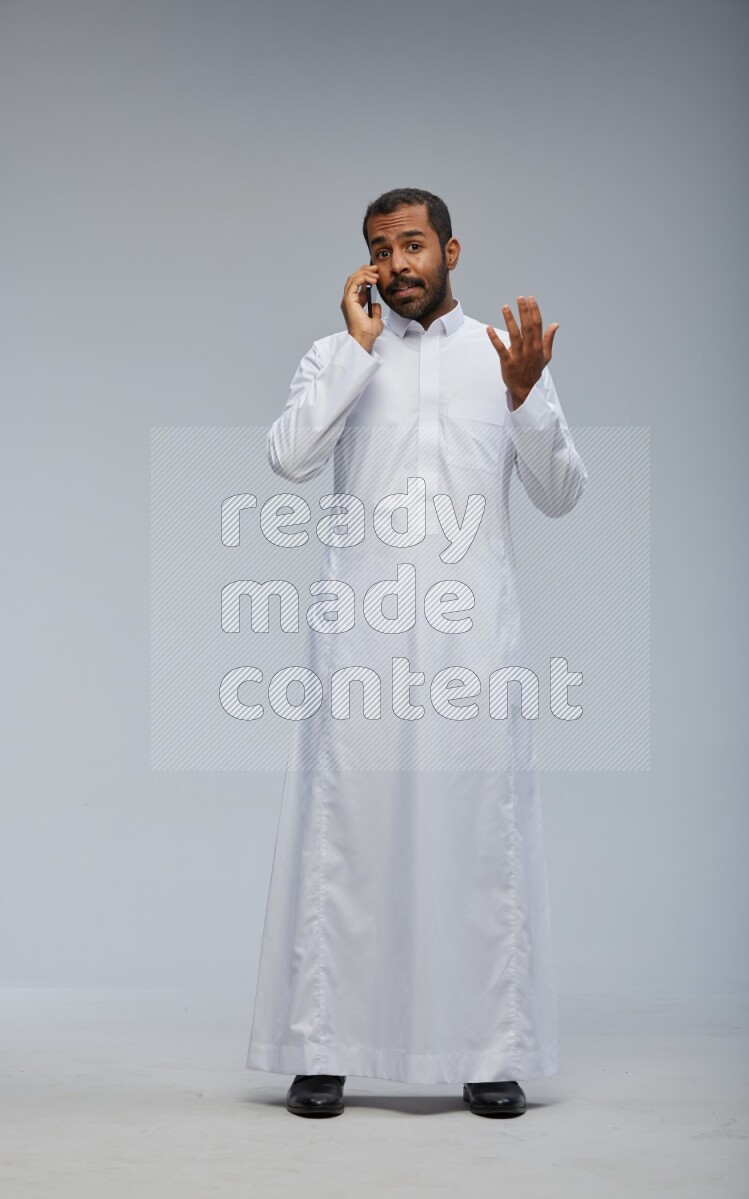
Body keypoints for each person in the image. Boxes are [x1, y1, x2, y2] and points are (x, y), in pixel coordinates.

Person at [246, 187, 588, 1119]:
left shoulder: (501, 359)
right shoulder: (336, 355)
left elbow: (561, 492)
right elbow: (291, 457)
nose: (396, 265)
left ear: (451, 249)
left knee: (481, 837)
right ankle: (323, 1047)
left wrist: (525, 401)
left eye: (412, 245)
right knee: (345, 836)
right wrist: (355, 355)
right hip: (361, 639)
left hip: (474, 637)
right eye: (378, 249)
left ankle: (490, 1050)